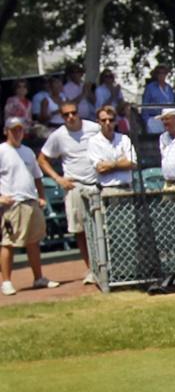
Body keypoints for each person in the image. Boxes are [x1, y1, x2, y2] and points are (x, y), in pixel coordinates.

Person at [36, 101, 100, 284]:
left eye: (73, 113)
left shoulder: (94, 128)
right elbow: (42, 159)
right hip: (74, 185)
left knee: (100, 228)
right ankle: (91, 269)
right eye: (66, 115)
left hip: (97, 184)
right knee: (80, 230)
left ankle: (106, 266)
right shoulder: (57, 136)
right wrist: (58, 179)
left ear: (78, 113)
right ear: (62, 117)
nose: (71, 117)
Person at [0, 117, 60, 295]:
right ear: (6, 132)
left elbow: (37, 176)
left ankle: (38, 278)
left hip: (31, 201)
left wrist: (41, 197)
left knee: (34, 242)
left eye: (19, 129)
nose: (17, 133)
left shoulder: (27, 151)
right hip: (12, 204)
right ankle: (7, 282)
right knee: (8, 243)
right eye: (13, 130)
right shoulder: (1, 151)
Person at [87, 105, 137, 192]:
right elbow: (100, 169)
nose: (107, 123)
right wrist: (121, 163)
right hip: (107, 189)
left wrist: (110, 165)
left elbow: (132, 163)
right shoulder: (94, 142)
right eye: (103, 120)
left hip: (127, 188)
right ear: (98, 122)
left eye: (111, 120)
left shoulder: (124, 139)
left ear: (116, 121)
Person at [141, 64, 175, 134]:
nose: (161, 75)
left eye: (163, 73)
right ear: (156, 74)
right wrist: (147, 121)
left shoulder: (169, 88)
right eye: (159, 73)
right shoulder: (150, 88)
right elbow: (144, 105)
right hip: (154, 119)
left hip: (168, 119)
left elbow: (173, 104)